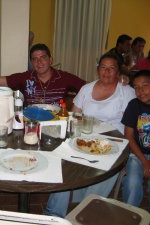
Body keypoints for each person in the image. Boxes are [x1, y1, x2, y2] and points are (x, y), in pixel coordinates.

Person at [44, 53, 136, 218]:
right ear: (97, 69)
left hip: (112, 144)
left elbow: (131, 126)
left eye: (111, 68)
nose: (106, 72)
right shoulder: (86, 89)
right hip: (85, 139)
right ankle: (54, 215)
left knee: (108, 168)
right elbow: (74, 116)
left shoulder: (127, 92)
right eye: (103, 67)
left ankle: (85, 212)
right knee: (64, 162)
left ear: (118, 71)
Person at [0, 43, 86, 106]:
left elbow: (88, 88)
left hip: (56, 124)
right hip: (31, 124)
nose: (39, 62)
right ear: (31, 63)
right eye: (35, 59)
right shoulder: (25, 78)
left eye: (43, 57)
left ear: (50, 60)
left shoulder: (63, 77)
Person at [121, 70, 150, 215]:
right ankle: (129, 216)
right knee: (132, 182)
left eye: (145, 85)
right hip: (137, 154)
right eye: (136, 87)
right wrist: (144, 161)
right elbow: (128, 136)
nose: (140, 91)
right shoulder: (134, 105)